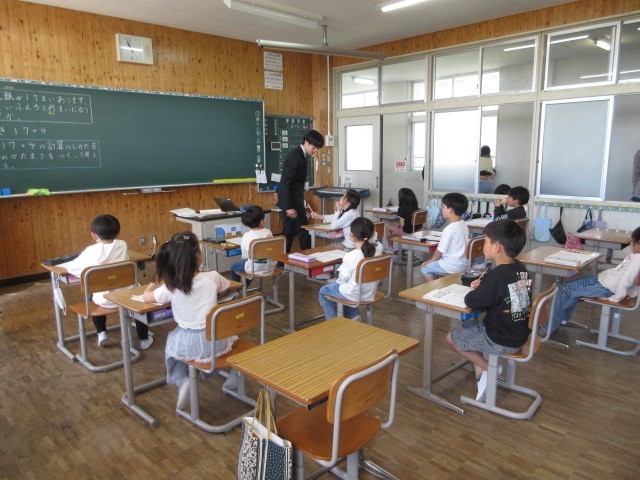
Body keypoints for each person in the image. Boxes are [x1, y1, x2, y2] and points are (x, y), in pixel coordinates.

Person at [143, 231, 236, 409]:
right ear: (198, 256)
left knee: (172, 348)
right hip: (217, 340)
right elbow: (225, 288)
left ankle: (182, 380)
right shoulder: (213, 277)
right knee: (231, 338)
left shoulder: (171, 286)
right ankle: (234, 374)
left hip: (188, 343)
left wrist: (150, 287)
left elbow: (147, 299)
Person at [446, 219, 532, 402]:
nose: (483, 244)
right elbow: (500, 292)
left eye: (485, 241)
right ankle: (481, 374)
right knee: (469, 325)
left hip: (500, 339)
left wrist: (480, 287)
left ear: (496, 247)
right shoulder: (519, 267)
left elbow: (472, 301)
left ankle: (488, 368)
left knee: (451, 337)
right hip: (518, 332)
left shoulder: (497, 276)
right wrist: (485, 285)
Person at [64, 214, 152, 349]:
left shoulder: (91, 251)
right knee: (141, 299)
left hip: (104, 301)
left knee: (92, 294)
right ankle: (144, 339)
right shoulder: (122, 245)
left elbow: (71, 268)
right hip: (128, 299)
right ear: (118, 233)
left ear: (94, 235)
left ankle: (101, 333)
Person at [546, 226, 640, 335]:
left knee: (565, 289)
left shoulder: (637, 258)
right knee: (567, 287)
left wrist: (616, 298)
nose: (630, 245)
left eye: (631, 242)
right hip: (600, 281)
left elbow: (625, 281)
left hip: (603, 286)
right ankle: (561, 319)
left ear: (638, 244)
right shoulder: (636, 257)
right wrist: (632, 293)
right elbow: (634, 279)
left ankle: (548, 328)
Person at [318, 217, 383, 320]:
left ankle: (333, 322)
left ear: (351, 235)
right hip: (370, 291)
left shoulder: (352, 256)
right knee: (346, 286)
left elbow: (341, 279)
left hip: (353, 294)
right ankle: (353, 316)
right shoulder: (379, 248)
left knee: (324, 290)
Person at [275, 129, 325, 252]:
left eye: (317, 148)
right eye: (314, 147)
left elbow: (286, 179)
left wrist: (277, 192)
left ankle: (282, 260)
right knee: (303, 231)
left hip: (292, 200)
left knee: (289, 232)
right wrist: (288, 207)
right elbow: (286, 182)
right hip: (292, 202)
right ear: (306, 142)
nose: (315, 150)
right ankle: (307, 258)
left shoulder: (301, 154)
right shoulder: (295, 157)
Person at [420, 193, 470, 281]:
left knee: (425, 268)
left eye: (443, 207)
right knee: (437, 263)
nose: (441, 209)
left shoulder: (449, 229)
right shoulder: (463, 224)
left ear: (450, 210)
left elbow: (440, 250)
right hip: (464, 264)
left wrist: (430, 261)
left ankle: (436, 289)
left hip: (451, 266)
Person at [229, 205, 275, 283]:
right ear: (262, 221)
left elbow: (245, 256)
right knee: (248, 264)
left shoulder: (246, 236)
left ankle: (239, 287)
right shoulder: (268, 232)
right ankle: (242, 287)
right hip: (270, 267)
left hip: (254, 269)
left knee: (234, 267)